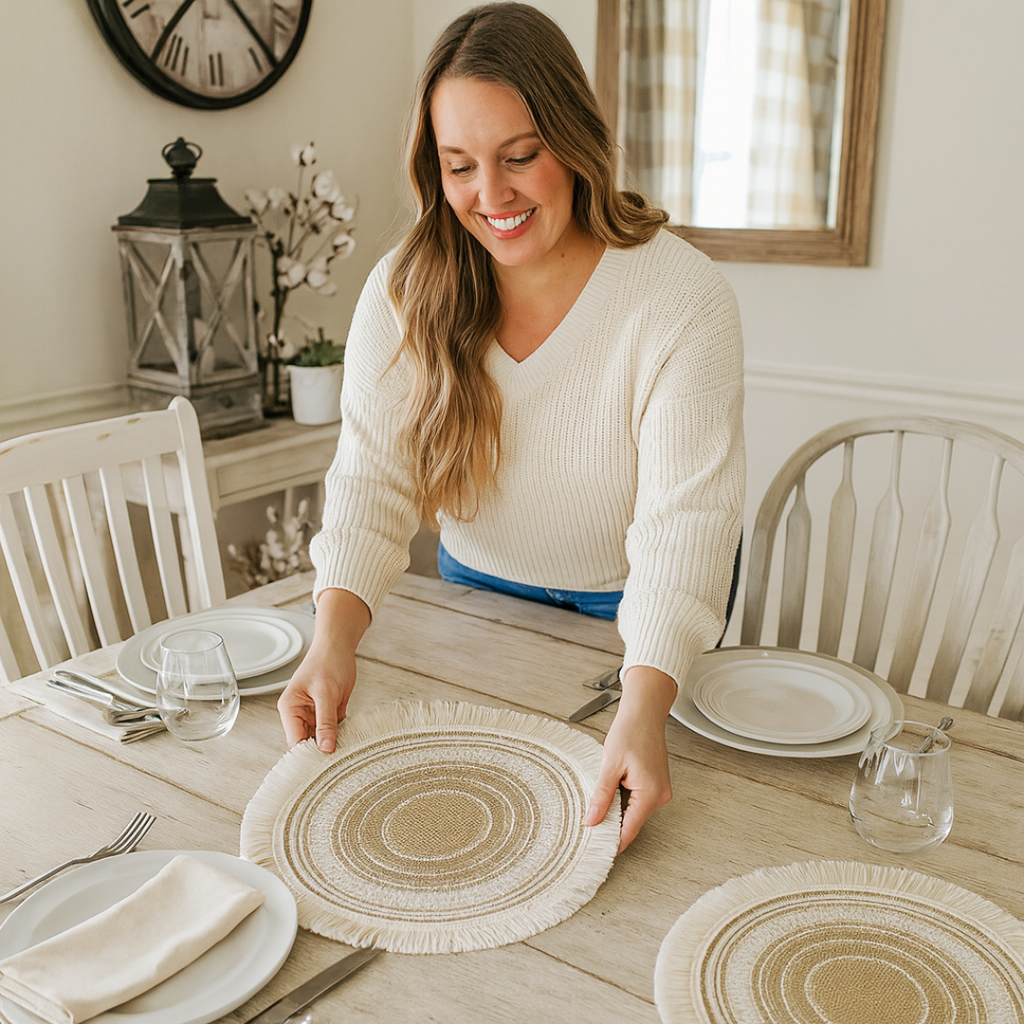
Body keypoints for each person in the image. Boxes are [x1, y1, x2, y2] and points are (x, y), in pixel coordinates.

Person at [277, 2, 744, 852]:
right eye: (459, 167)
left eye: (519, 157)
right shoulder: (403, 287)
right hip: (473, 597)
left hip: (632, 624)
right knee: (470, 833)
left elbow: (688, 525)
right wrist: (331, 639)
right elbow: (370, 481)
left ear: (574, 141)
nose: (490, 198)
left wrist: (643, 707)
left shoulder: (679, 297)